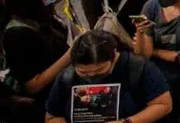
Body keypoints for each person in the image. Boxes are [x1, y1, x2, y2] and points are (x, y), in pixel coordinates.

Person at [42, 32, 172, 123]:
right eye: (84, 73)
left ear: (114, 55)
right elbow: (52, 117)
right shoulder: (66, 78)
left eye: (100, 70)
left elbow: (163, 104)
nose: (92, 76)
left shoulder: (138, 68)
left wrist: (126, 122)